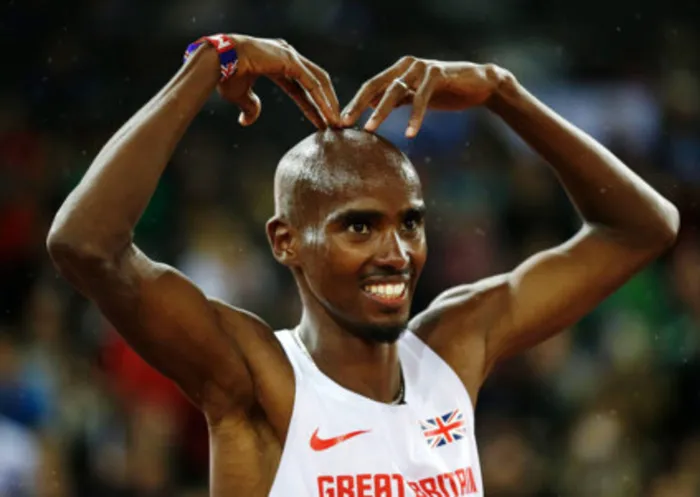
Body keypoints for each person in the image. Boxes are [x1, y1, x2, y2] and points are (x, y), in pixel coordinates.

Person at [47, 34, 679, 497]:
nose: (396, 253)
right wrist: (215, 61)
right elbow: (85, 244)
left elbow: (645, 228)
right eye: (359, 226)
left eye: (410, 222)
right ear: (286, 241)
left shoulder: (454, 347)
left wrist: (501, 92)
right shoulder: (257, 378)